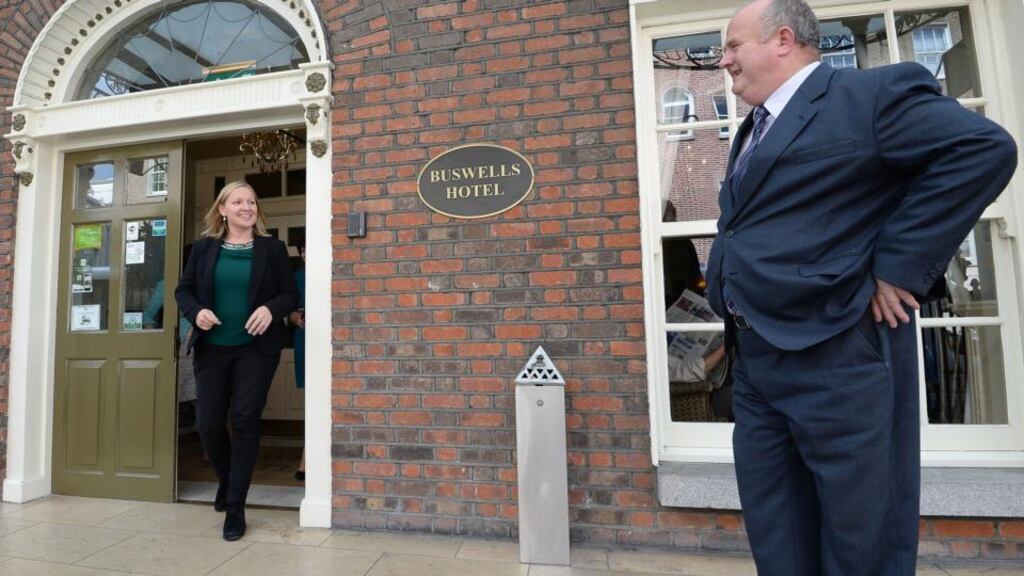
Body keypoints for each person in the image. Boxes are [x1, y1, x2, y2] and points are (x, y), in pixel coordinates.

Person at [705, 1, 1018, 574]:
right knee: (777, 531)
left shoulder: (867, 98)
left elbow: (983, 150)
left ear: (782, 40)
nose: (723, 60)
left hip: (837, 353)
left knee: (861, 535)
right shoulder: (754, 123)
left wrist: (899, 266)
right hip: (755, 361)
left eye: (732, 46)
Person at [175, 180, 297, 541]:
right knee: (209, 423)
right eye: (238, 201)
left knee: (244, 419)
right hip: (213, 347)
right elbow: (184, 290)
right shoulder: (204, 248)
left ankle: (235, 506)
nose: (247, 207)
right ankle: (227, 481)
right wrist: (196, 312)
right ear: (223, 210)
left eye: (252, 201)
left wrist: (269, 308)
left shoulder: (272, 249)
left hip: (255, 350)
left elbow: (289, 295)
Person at [288, 237, 306, 481]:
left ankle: (307, 459)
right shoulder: (296, 278)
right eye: (305, 249)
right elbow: (288, 309)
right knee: (310, 400)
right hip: (304, 338)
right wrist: (294, 317)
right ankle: (307, 457)